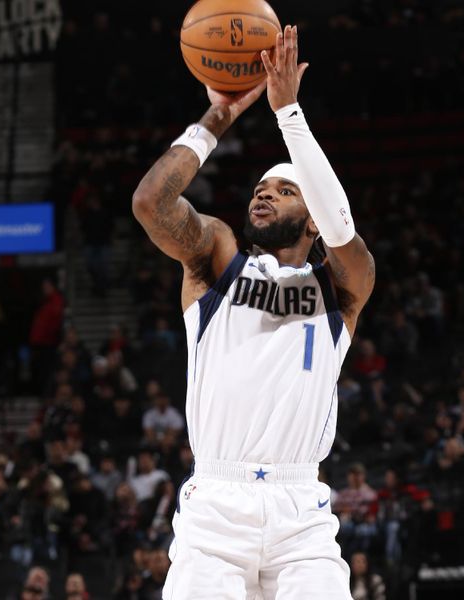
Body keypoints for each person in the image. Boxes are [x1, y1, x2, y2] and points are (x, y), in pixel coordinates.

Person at [131, 25, 374, 599]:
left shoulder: (342, 285)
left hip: (301, 516)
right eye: (260, 188)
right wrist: (215, 119)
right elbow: (150, 203)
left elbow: (343, 230)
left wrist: (289, 114)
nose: (262, 194)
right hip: (217, 506)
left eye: (282, 190)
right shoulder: (216, 258)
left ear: (311, 215)